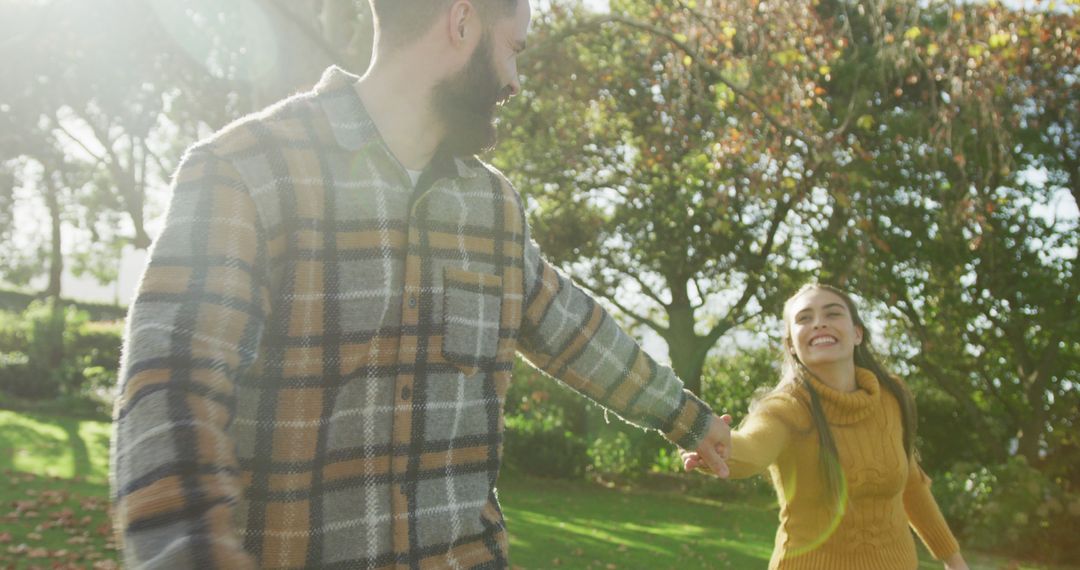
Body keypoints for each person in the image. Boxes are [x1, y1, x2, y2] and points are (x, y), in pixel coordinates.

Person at [110, 0, 732, 568]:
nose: (515, 81)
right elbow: (171, 384)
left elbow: (572, 330)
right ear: (462, 23)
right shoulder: (246, 169)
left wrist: (690, 420)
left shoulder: (494, 205)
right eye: (514, 48)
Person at [682, 283, 969, 569]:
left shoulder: (892, 396)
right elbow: (752, 449)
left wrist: (954, 561)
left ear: (857, 333)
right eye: (804, 318)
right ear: (791, 344)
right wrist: (717, 445)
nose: (819, 323)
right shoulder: (785, 408)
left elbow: (911, 483)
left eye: (832, 314)